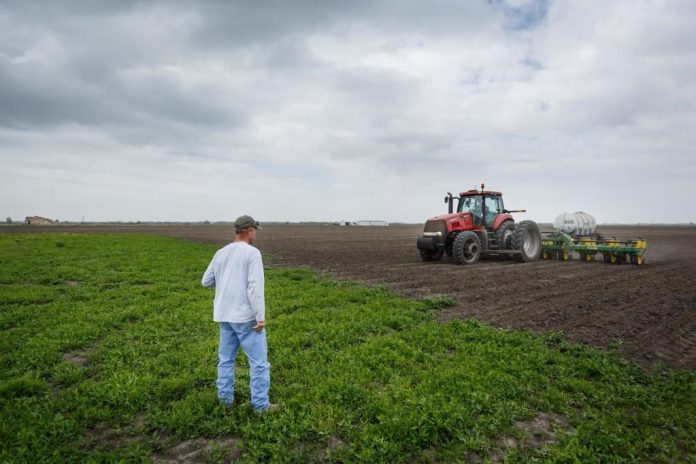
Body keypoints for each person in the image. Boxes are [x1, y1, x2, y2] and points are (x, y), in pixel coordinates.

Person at [201, 215, 277, 412]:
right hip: (246, 318)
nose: (255, 235)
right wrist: (260, 317)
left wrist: (227, 281)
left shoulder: (221, 252)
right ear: (249, 230)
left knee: (225, 360)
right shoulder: (252, 253)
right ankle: (261, 406)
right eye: (255, 231)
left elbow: (206, 281)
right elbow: (254, 287)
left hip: (224, 316)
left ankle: (225, 401)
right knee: (259, 363)